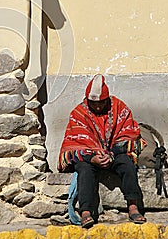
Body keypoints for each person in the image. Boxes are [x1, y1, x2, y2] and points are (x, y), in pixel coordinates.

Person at [58, 74, 147, 229]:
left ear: (107, 99)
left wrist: (111, 154)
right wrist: (92, 157)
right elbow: (74, 143)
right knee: (84, 169)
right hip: (90, 157)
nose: (98, 106)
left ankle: (133, 206)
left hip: (114, 153)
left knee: (127, 163)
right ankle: (85, 211)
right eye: (94, 103)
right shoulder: (79, 113)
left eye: (101, 103)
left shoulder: (119, 108)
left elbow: (129, 134)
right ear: (87, 100)